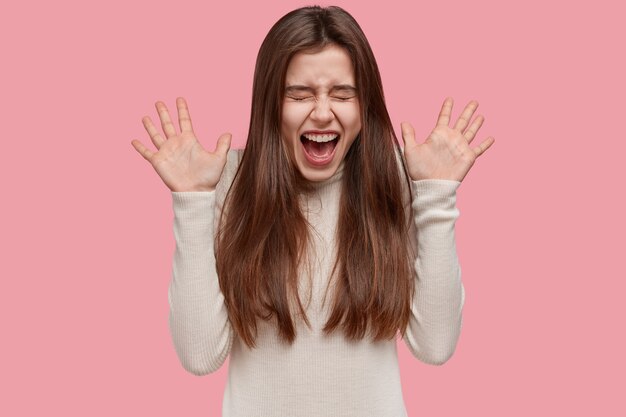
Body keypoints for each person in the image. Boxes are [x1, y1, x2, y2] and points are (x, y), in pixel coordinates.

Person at [131, 5, 494, 417]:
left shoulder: (399, 178)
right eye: (299, 94)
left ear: (365, 105)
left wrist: (437, 195)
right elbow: (199, 356)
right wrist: (194, 200)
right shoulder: (227, 181)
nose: (322, 112)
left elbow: (436, 345)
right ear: (270, 103)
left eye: (342, 93)